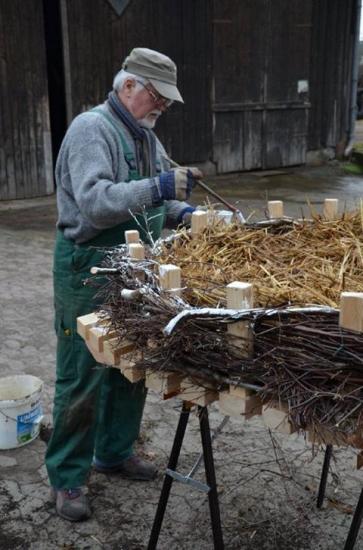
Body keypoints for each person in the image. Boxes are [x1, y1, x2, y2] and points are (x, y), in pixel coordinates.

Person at [45, 47, 202, 521]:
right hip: (87, 263)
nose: (161, 108)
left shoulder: (144, 136)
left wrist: (186, 213)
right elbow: (96, 203)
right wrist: (160, 188)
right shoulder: (91, 129)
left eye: (167, 102)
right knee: (82, 373)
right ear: (127, 86)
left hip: (134, 264)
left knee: (129, 363)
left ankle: (112, 452)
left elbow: (154, 200)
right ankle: (68, 478)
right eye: (157, 96)